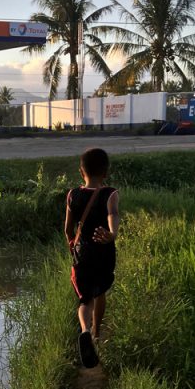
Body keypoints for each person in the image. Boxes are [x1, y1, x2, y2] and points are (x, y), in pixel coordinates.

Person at [64, 147, 119, 368]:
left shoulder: (72, 194)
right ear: (106, 172)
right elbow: (112, 214)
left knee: (84, 298)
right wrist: (112, 233)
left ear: (81, 171)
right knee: (100, 291)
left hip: (82, 252)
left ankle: (85, 329)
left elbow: (68, 229)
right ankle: (96, 334)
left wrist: (72, 246)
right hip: (103, 251)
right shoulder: (110, 193)